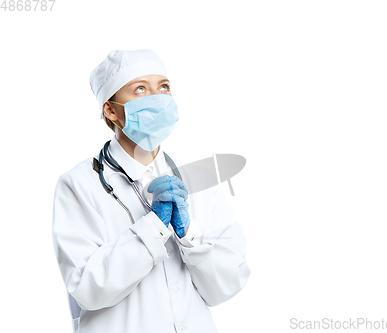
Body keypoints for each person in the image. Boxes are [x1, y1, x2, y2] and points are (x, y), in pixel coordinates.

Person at [51, 49, 250, 333]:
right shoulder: (80, 183)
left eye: (164, 87)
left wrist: (189, 236)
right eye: (140, 89)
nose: (157, 98)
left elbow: (228, 284)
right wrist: (153, 227)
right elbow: (88, 288)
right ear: (111, 110)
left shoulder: (198, 178)